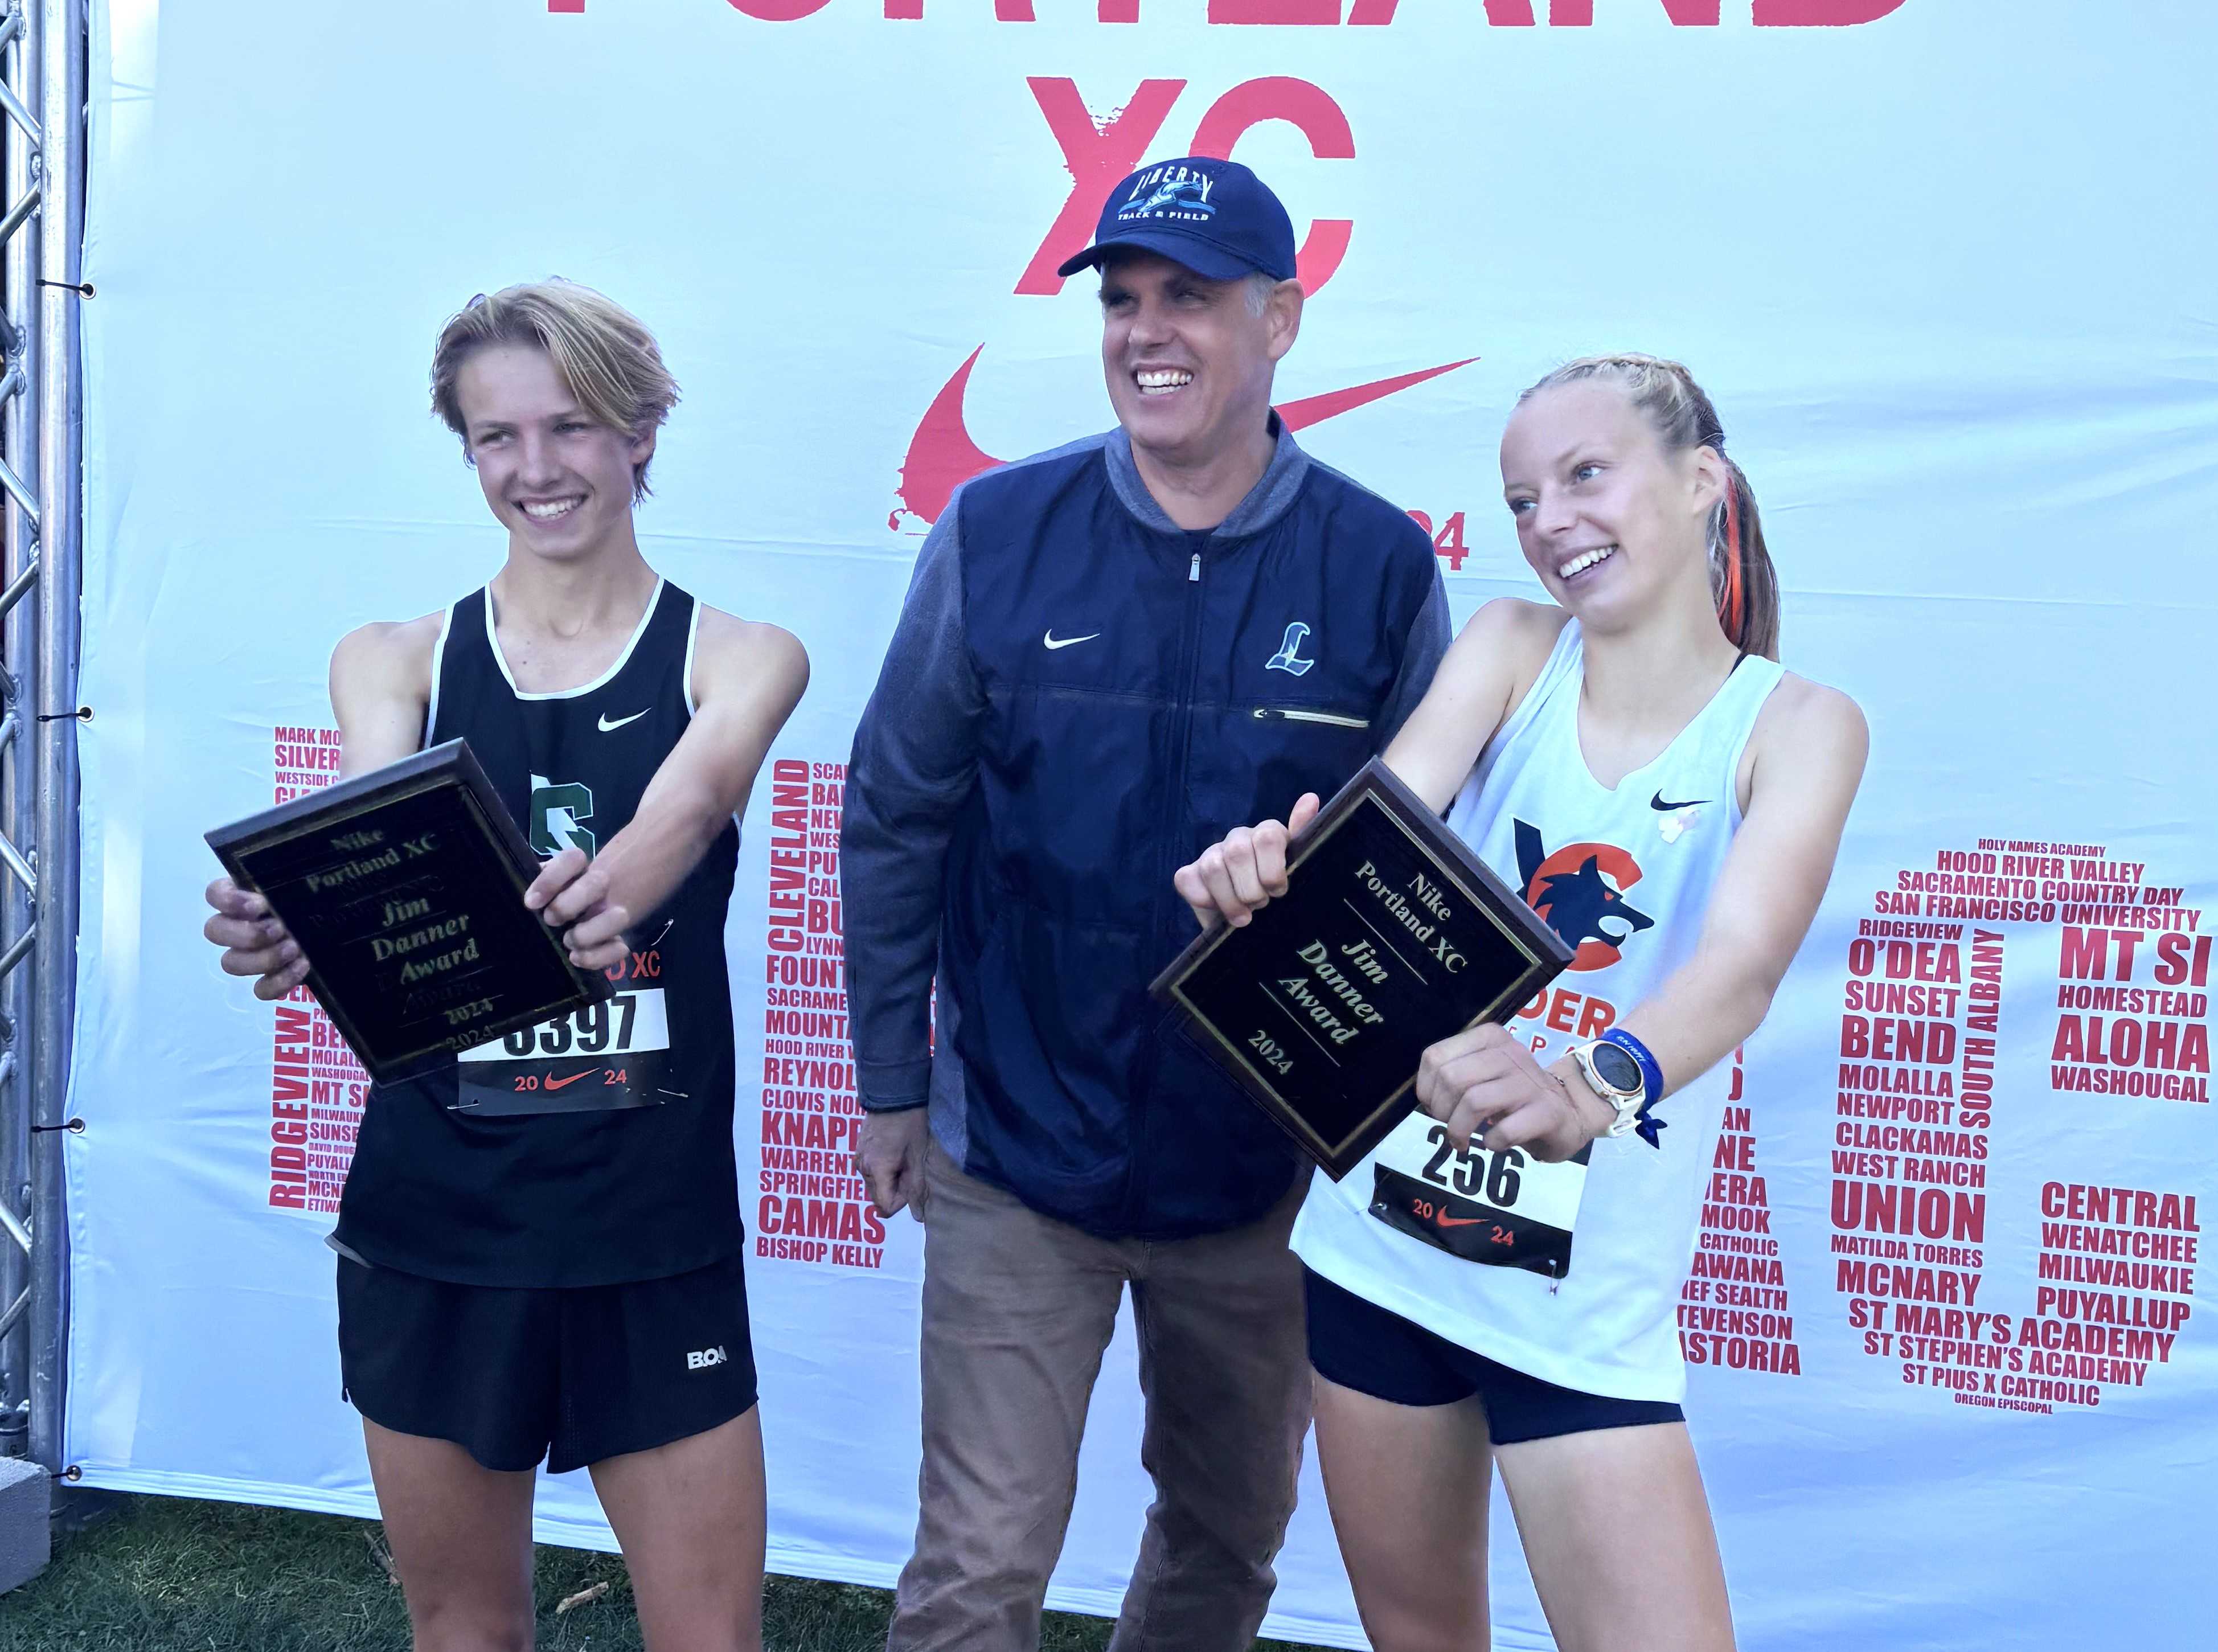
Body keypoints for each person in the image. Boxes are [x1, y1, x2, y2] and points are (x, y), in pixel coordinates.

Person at [842, 157, 1450, 1651]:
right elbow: (896, 812)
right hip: (1012, 1149)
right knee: (977, 1570)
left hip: (1261, 1173)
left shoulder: (1376, 564)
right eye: (1123, 299)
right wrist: (890, 1081)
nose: (1148, 330)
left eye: (1192, 295)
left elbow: (1428, 882)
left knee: (1224, 1545)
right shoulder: (998, 530)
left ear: (1282, 319)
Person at [1176, 354, 1868, 1652]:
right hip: (1378, 1256)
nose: (1549, 521)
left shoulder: (1800, 724)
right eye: (1521, 500)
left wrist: (1584, 1088)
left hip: (1582, 1311)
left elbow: (1738, 971)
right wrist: (1262, 890)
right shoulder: (1508, 645)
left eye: (1583, 476)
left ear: (1700, 478)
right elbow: (1375, 849)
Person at [202, 281, 808, 1652]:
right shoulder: (391, 660)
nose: (536, 469)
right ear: (464, 451)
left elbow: (693, 800)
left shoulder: (744, 655)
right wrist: (300, 918)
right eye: (496, 437)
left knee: (711, 1636)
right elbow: (366, 832)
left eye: (573, 426)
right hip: (437, 1226)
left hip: (647, 1228)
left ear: (642, 428)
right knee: (466, 1629)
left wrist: (615, 891)